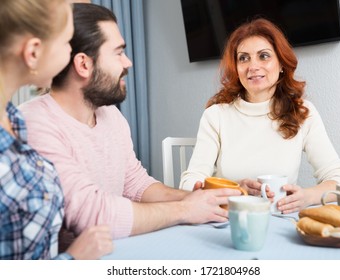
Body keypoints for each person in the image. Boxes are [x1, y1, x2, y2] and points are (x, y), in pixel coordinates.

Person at [19, 3, 240, 243]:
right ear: (84, 64)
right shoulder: (33, 123)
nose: (128, 63)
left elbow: (135, 183)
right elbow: (92, 215)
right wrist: (184, 210)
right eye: (118, 52)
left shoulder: (110, 115)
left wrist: (192, 199)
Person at [179, 18, 340, 214]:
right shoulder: (216, 115)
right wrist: (235, 190)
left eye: (263, 56)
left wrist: (308, 196)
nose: (253, 66)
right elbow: (189, 183)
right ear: (236, 68)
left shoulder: (303, 112)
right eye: (243, 58)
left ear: (281, 64)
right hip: (228, 220)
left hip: (281, 219)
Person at [0, 0, 113, 260]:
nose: (70, 53)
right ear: (33, 52)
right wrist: (72, 259)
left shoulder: (13, 119)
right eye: (66, 43)